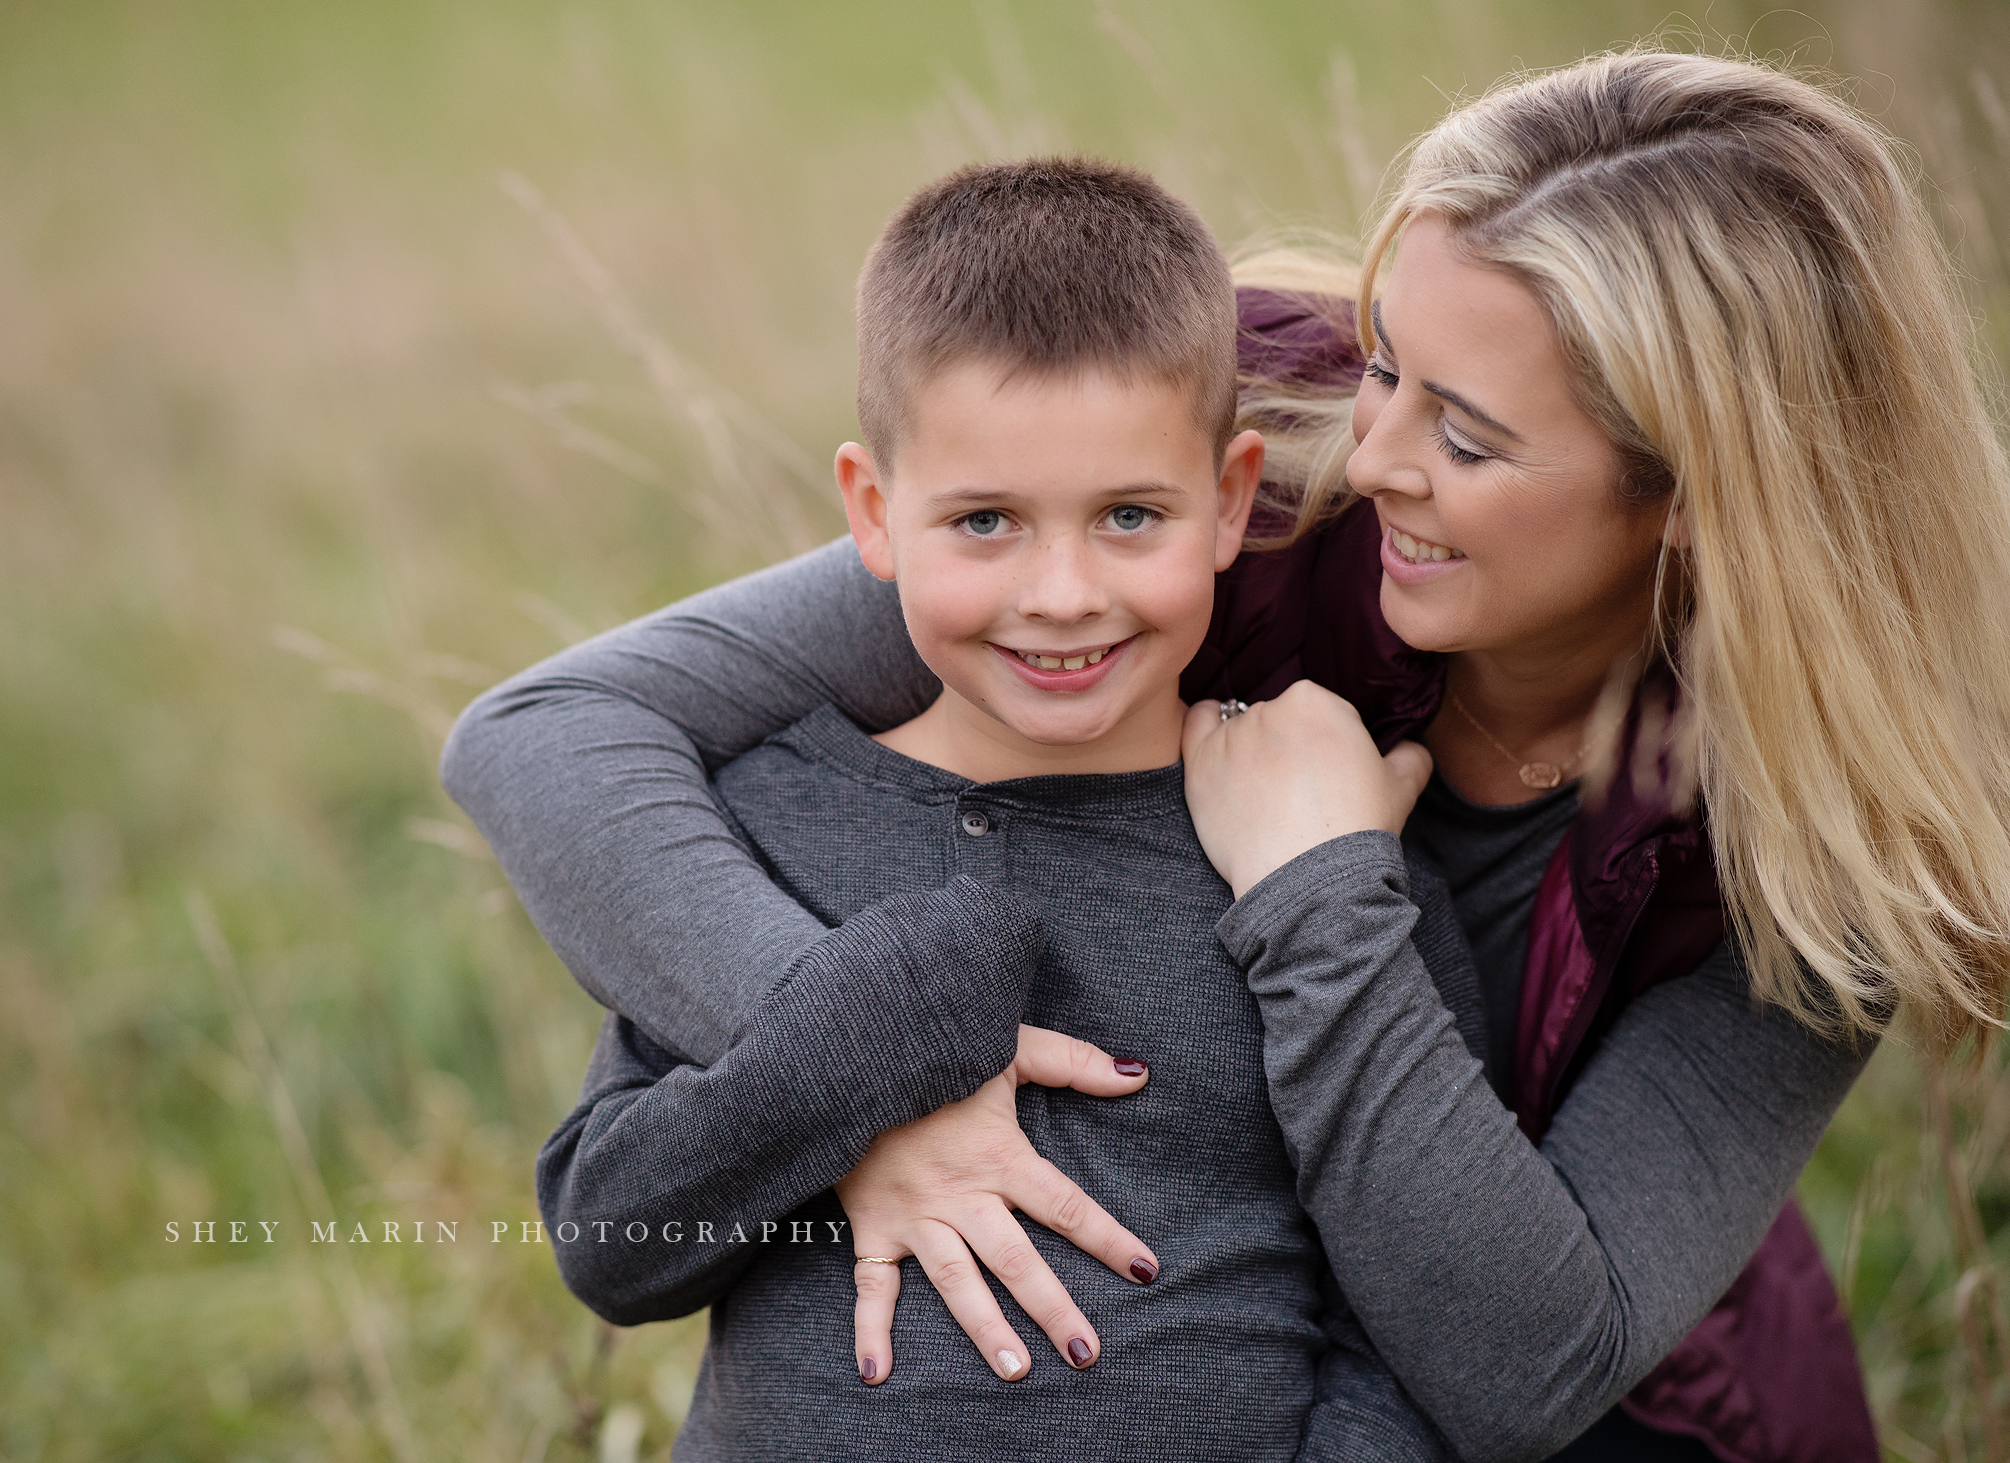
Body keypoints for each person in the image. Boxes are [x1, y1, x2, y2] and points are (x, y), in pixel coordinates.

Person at [444, 49, 2010, 1462]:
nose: (1371, 455)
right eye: (1389, 359)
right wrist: (873, 1075)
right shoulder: (1211, 495)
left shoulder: (1836, 833)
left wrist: (1328, 891)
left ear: (1693, 492)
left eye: (1465, 437)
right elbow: (556, 731)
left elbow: (1522, 1371)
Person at [532, 157, 1459, 1461]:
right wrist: (873, 1031)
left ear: (1232, 501)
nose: (1064, 591)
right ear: (873, 509)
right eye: (985, 522)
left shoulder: (1304, 839)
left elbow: (1414, 1319)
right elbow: (612, 1239)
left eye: (1130, 513)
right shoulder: (771, 817)